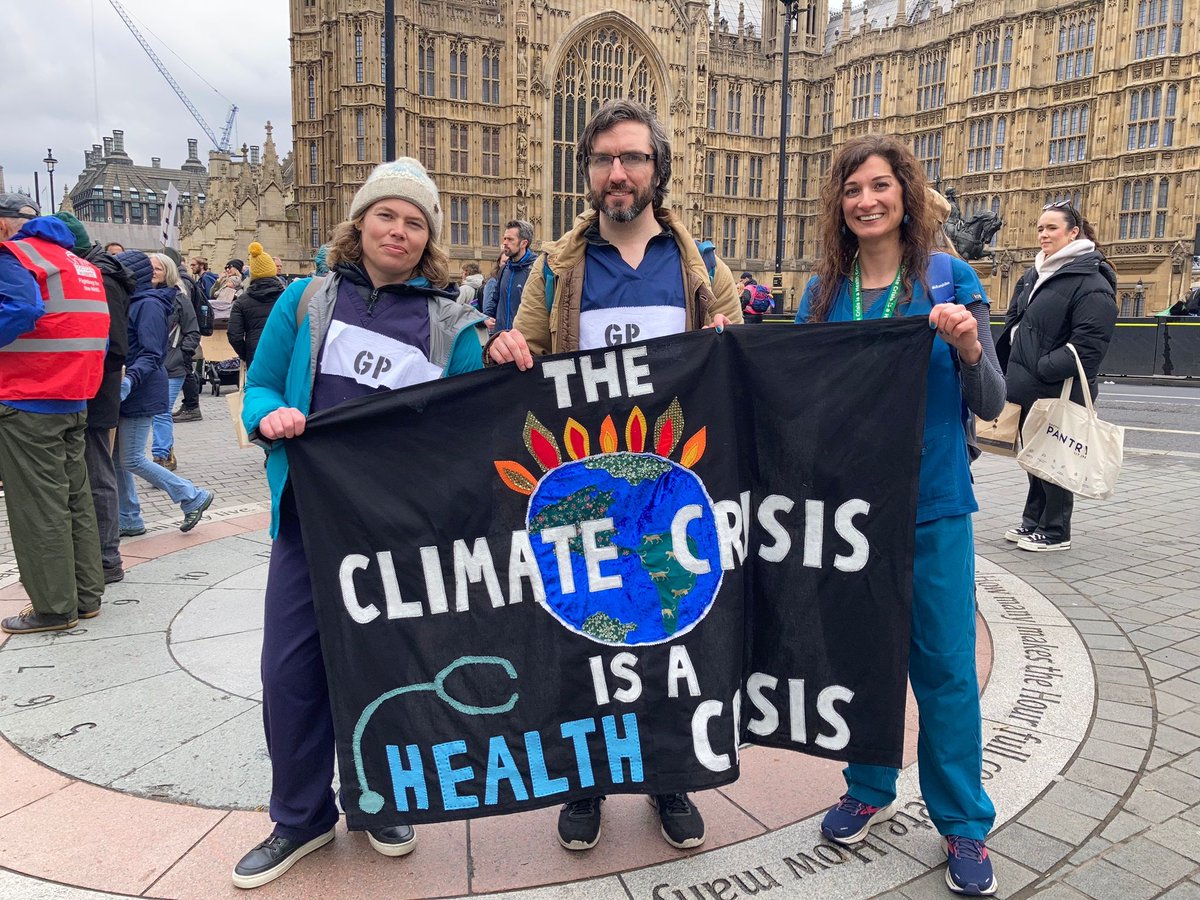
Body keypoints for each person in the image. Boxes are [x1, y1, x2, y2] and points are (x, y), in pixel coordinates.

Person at [487, 99, 741, 853]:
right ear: (588, 173)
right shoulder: (557, 268)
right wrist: (505, 348)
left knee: (668, 638)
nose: (618, 172)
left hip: (670, 490)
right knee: (582, 640)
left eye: (632, 158)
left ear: (657, 169)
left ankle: (668, 776)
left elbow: (738, 357)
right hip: (583, 489)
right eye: (603, 160)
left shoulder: (700, 265)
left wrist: (734, 342)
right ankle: (584, 782)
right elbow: (524, 353)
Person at [235, 157, 488, 889]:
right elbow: (256, 388)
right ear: (362, 220)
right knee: (290, 673)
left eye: (415, 221)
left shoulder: (450, 325)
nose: (399, 230)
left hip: (395, 533)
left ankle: (379, 799)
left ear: (428, 238)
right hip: (308, 523)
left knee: (388, 671)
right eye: (387, 214)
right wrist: (267, 417)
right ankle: (300, 818)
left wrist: (505, 351)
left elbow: (471, 424)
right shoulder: (306, 301)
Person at [794, 135, 1005, 897]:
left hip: (934, 509)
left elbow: (991, 402)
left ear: (905, 195)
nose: (867, 201)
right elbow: (797, 405)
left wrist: (969, 349)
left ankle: (964, 824)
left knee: (946, 670)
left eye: (881, 186)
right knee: (864, 663)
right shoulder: (823, 294)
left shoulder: (949, 277)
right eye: (853, 189)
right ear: (839, 205)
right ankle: (870, 786)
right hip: (854, 516)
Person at [0, 194, 109, 634]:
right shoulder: (78, 264)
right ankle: (86, 596)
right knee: (74, 498)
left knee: (38, 506)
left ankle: (53, 606)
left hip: (28, 395)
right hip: (74, 394)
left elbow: (23, 310)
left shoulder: (14, 256)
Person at [999, 201, 1117, 553]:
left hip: (1059, 388)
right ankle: (1033, 520)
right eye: (1040, 228)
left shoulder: (1091, 281)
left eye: (1052, 228)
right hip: (1028, 385)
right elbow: (1017, 321)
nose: (1043, 234)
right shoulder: (1036, 274)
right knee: (1035, 457)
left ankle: (1056, 531)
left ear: (1073, 232)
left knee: (1057, 460)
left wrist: (1041, 367)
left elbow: (1089, 346)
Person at [112, 250, 214, 536]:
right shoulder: (139, 300)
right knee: (119, 458)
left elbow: (150, 351)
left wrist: (129, 380)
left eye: (158, 267)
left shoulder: (150, 304)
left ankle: (191, 495)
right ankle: (130, 518)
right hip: (136, 385)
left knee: (130, 458)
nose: (153, 271)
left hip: (141, 387)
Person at [55, 212, 132, 584]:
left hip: (93, 390)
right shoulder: (98, 269)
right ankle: (97, 554)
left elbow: (114, 346)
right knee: (93, 470)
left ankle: (105, 557)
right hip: (90, 388)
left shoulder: (100, 275)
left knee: (98, 471)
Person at [149, 253, 200, 471]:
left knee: (161, 410)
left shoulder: (180, 298)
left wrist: (181, 354)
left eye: (157, 269)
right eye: (150, 268)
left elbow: (192, 331)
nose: (153, 272)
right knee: (154, 412)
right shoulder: (142, 296)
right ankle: (166, 449)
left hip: (172, 365)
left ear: (167, 271)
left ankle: (161, 456)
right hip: (149, 365)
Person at [228, 241, 286, 367]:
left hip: (256, 357)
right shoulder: (287, 297)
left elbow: (234, 335)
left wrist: (246, 354)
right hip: (284, 354)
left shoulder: (241, 302)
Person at [483, 220, 535, 333]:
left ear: (523, 243)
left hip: (524, 341)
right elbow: (495, 299)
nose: (505, 242)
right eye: (505, 238)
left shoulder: (535, 271)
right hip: (501, 337)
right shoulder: (504, 269)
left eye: (510, 239)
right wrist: (486, 317)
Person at [480, 251, 505, 331]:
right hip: (496, 329)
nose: (507, 265)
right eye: (504, 262)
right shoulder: (493, 282)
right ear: (499, 263)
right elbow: (488, 309)